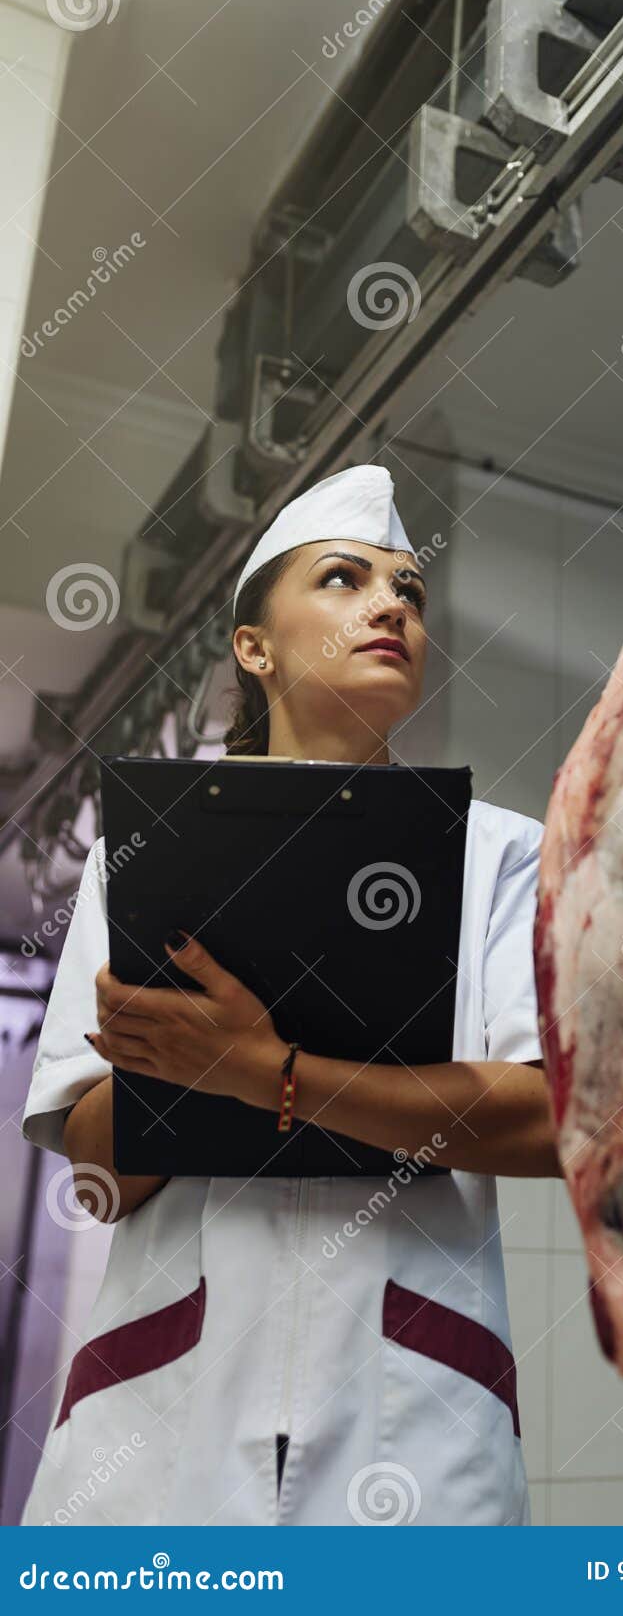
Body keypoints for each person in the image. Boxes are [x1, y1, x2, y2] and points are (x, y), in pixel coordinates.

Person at [19, 464, 559, 1526]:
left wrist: (265, 1073)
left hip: (413, 1411)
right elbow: (100, 1173)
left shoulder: (504, 858)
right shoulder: (142, 858)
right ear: (253, 647)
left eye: (407, 590)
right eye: (346, 580)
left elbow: (548, 1122)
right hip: (162, 1414)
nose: (391, 606)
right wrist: (196, 1068)